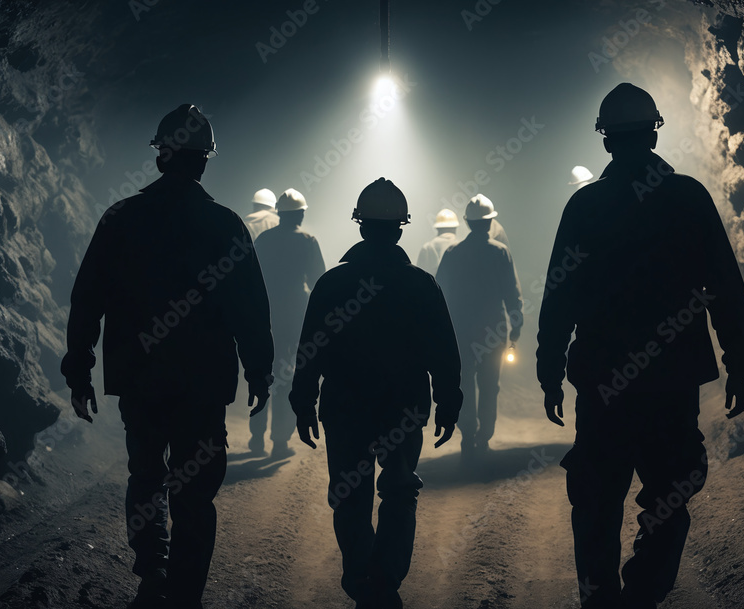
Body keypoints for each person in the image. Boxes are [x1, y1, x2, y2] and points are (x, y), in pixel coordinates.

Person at [536, 83, 744, 609]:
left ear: (606, 140)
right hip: (671, 381)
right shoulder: (688, 198)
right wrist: (738, 363)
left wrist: (549, 371)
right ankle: (642, 595)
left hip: (603, 383)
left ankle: (601, 601)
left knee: (596, 500)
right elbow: (725, 286)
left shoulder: (584, 207)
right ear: (654, 131)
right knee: (669, 495)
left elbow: (559, 295)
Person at [61, 104, 274, 609]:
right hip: (202, 387)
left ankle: (153, 568)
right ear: (203, 162)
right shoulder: (225, 226)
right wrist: (259, 370)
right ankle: (185, 594)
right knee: (196, 494)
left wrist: (79, 368)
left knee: (146, 477)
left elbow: (86, 297)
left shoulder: (120, 220)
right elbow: (250, 307)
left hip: (141, 380)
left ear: (161, 157)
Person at [290, 178, 462, 609]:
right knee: (400, 490)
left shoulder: (332, 284)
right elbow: (443, 349)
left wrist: (303, 400)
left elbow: (310, 348)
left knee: (350, 494)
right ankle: (385, 580)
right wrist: (448, 400)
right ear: (401, 228)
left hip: (345, 408)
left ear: (360, 226)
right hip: (403, 407)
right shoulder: (421, 285)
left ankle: (360, 574)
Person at [434, 194, 523, 459]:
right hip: (493, 331)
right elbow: (512, 292)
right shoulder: (500, 251)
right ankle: (484, 436)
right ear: (489, 222)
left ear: (467, 223)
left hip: (460, 331)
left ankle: (468, 434)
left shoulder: (453, 252)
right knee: (489, 384)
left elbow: (438, 292)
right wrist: (516, 326)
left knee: (463, 383)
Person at [251, 187, 326, 458]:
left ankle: (256, 437)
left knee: (261, 374)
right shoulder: (308, 240)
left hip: (265, 314)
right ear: (301, 214)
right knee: (285, 378)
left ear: (279, 213)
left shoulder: (264, 240)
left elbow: (251, 278)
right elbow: (320, 280)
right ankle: (280, 441)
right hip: (295, 317)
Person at [415, 208, 459, 275]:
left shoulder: (427, 248)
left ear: (437, 228)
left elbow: (419, 276)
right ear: (455, 228)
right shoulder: (463, 247)